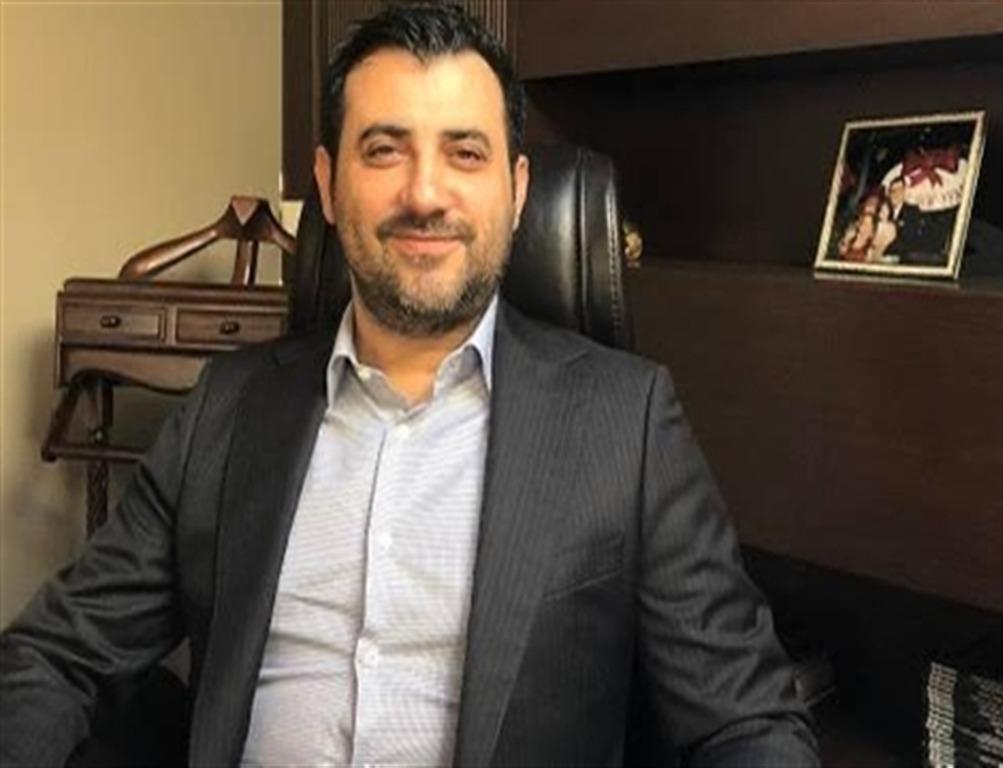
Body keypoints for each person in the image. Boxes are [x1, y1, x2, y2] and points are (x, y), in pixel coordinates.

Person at [0, 4, 818, 766]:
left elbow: (746, 724)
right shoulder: (227, 408)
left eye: (465, 153)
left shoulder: (626, 424)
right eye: (384, 150)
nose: (425, 194)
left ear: (517, 190)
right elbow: (55, 655)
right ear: (327, 184)